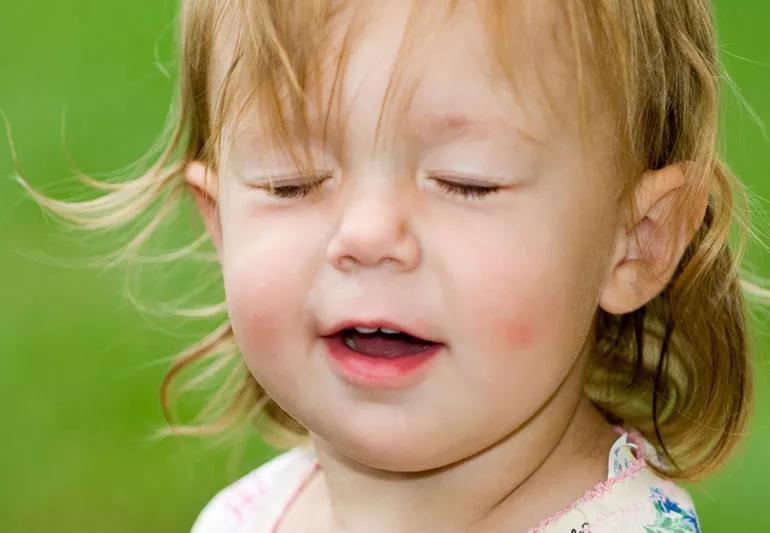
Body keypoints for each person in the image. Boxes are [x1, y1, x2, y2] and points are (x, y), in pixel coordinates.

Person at [19, 0, 768, 531]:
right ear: (220, 225)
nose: (368, 235)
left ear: (638, 238)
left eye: (468, 179)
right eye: (292, 181)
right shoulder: (247, 516)